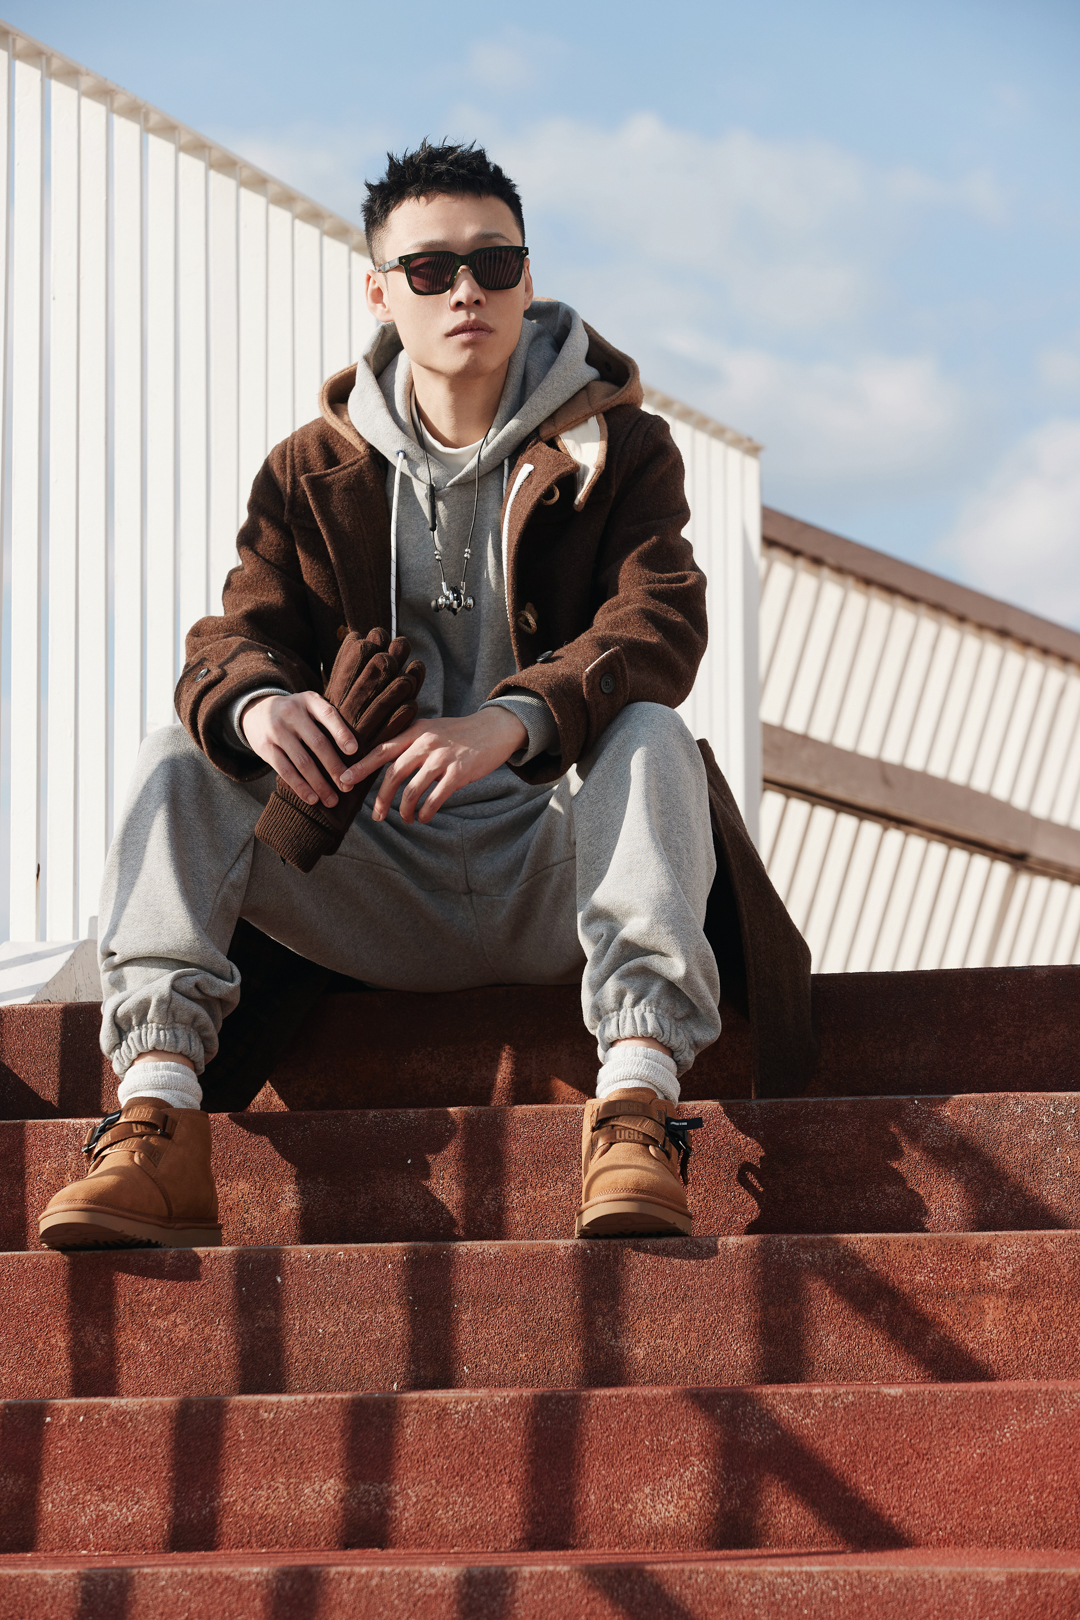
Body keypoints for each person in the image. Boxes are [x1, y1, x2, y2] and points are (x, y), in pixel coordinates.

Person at [38, 141, 811, 1253]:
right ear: (380, 292)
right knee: (182, 750)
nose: (466, 293)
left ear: (527, 279)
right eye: (431, 269)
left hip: (554, 873)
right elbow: (234, 638)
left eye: (495, 264)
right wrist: (260, 705)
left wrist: (512, 720)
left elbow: (661, 624)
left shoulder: (618, 446)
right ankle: (157, 1122)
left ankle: (638, 1109)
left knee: (651, 731)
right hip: (371, 879)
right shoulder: (311, 469)